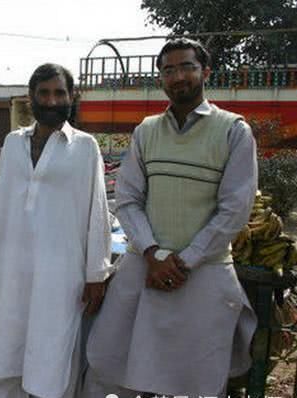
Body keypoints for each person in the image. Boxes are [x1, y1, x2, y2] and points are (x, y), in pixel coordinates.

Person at [84, 39, 258, 398]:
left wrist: (183, 261)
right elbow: (128, 200)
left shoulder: (233, 130)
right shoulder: (147, 130)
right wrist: (153, 254)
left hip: (203, 274)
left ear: (205, 72)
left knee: (197, 382)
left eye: (187, 67)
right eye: (168, 70)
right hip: (145, 268)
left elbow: (235, 208)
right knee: (118, 368)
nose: (178, 76)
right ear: (160, 78)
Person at [0, 63, 112, 398]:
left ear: (72, 97)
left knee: (52, 351)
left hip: (58, 275)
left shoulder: (85, 147)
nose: (51, 100)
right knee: (2, 345)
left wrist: (96, 273)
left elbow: (97, 212)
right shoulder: (13, 143)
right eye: (43, 93)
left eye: (59, 92)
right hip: (7, 268)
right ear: (31, 97)